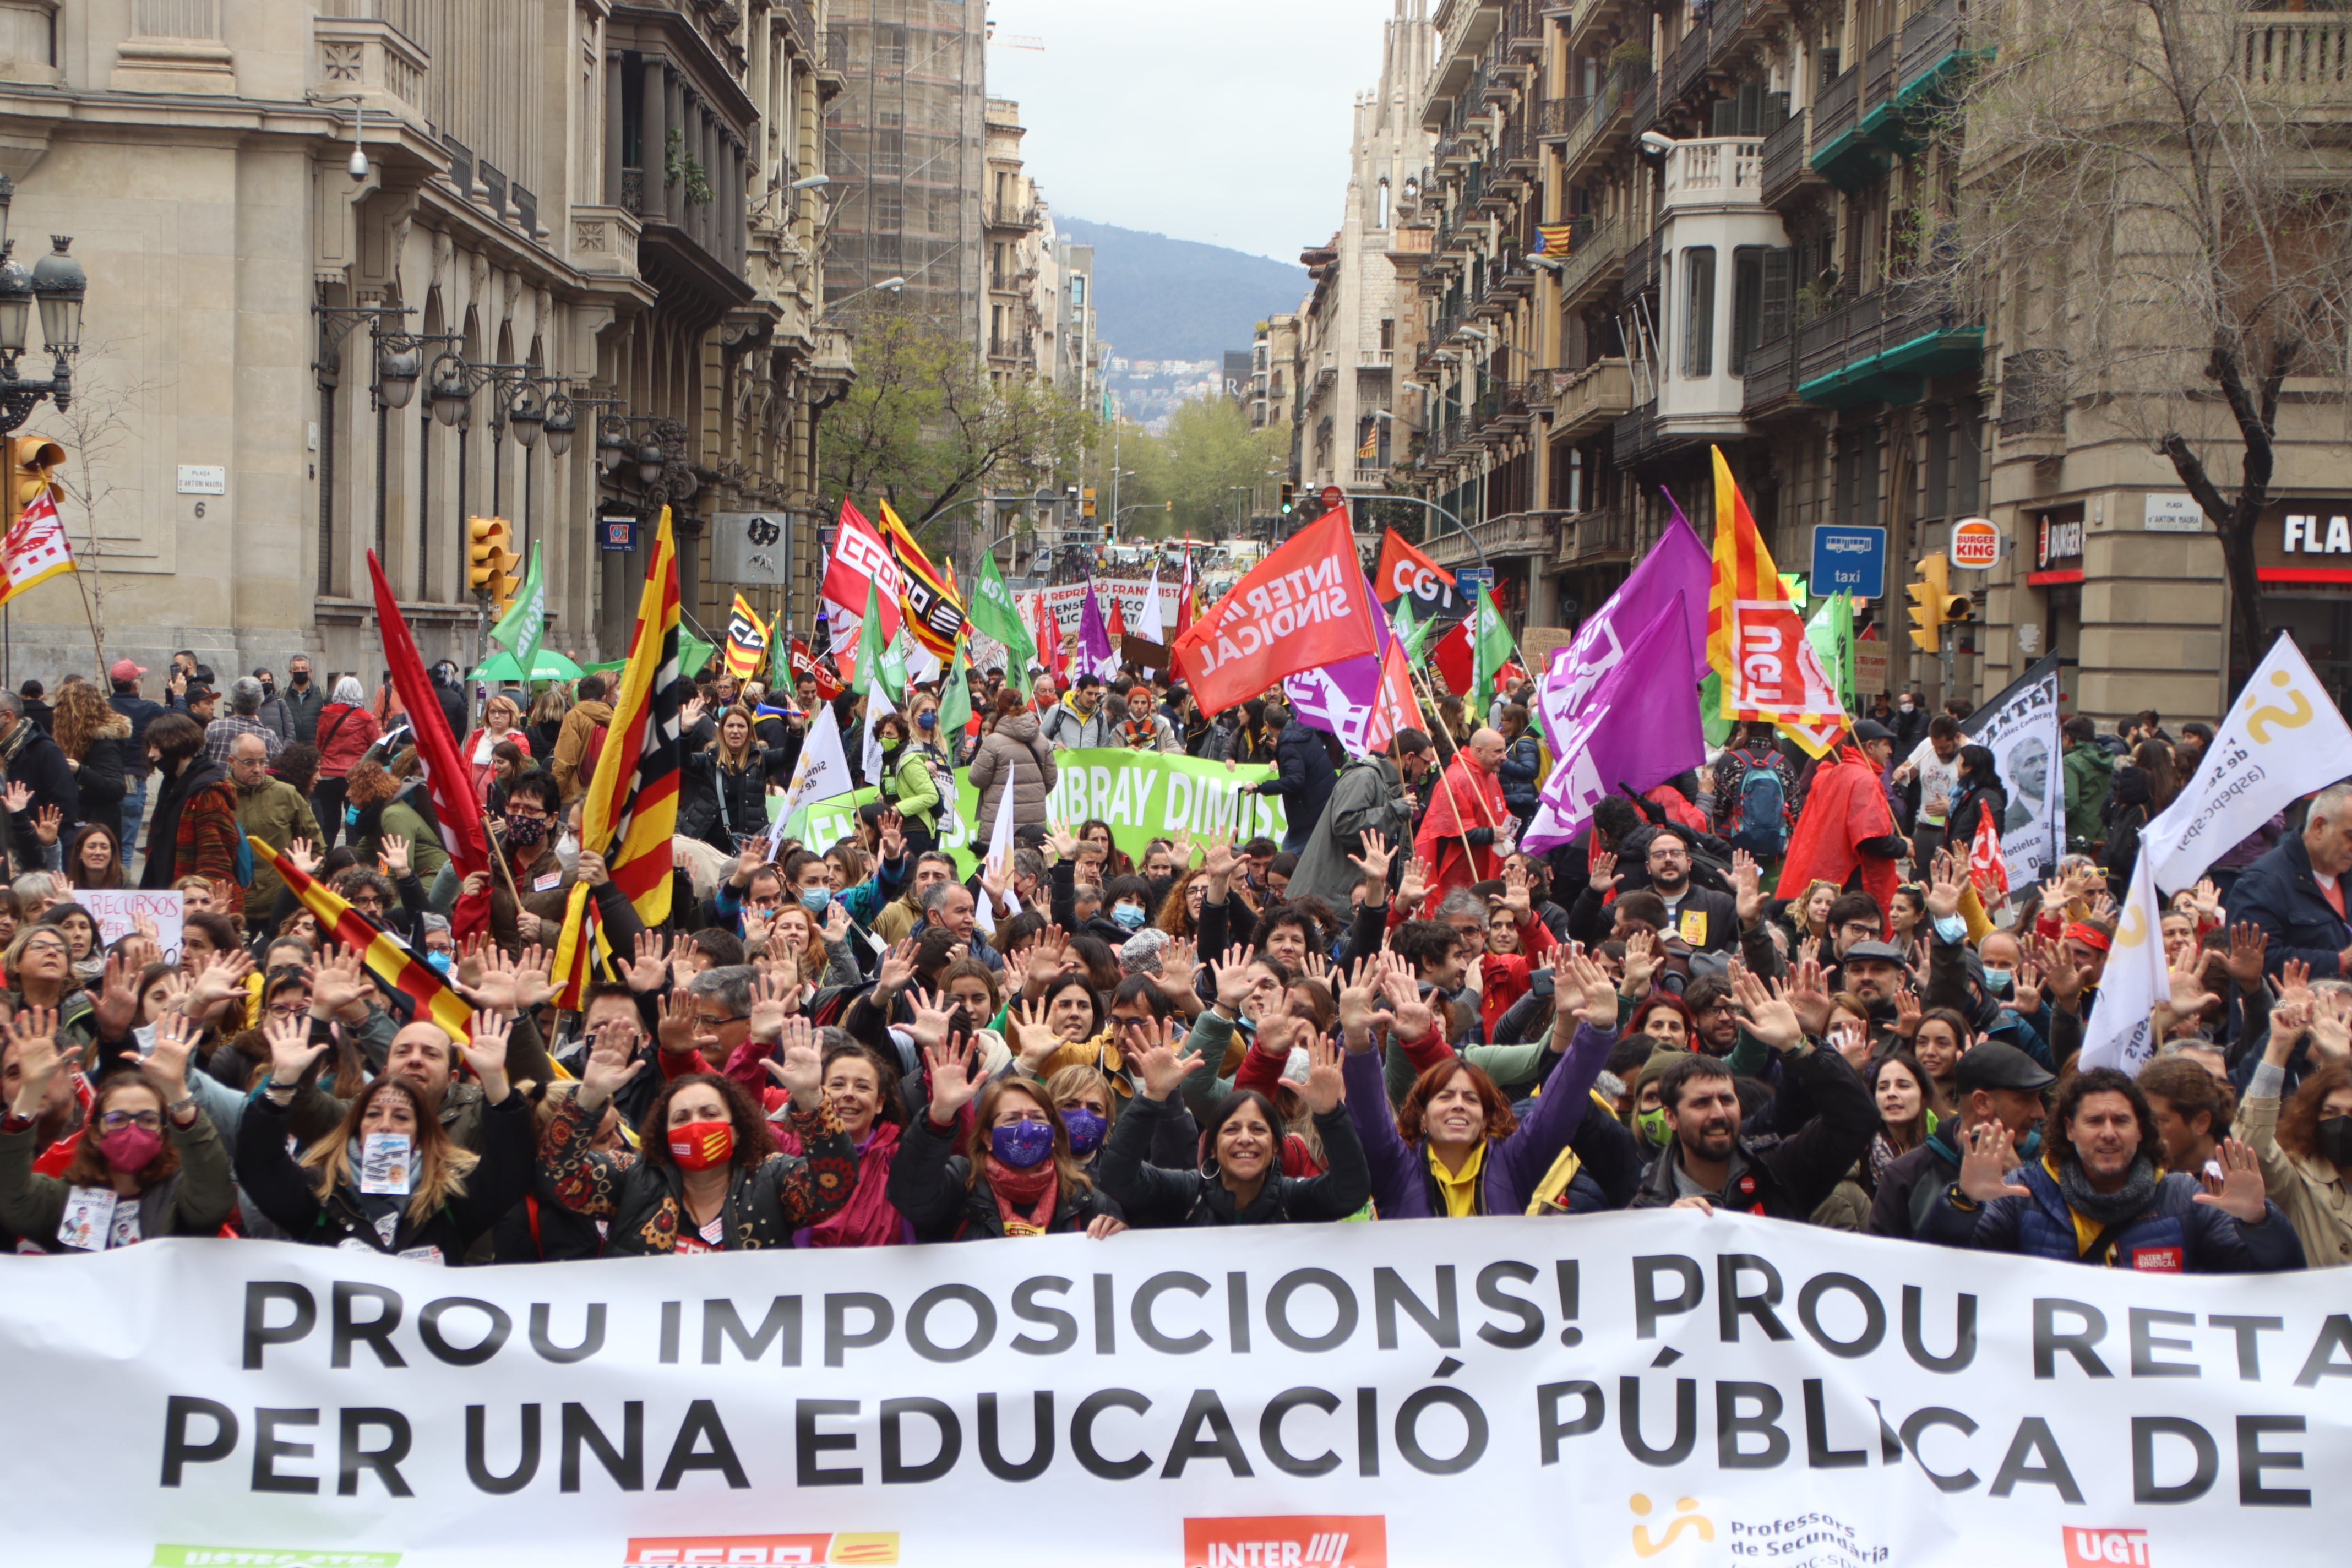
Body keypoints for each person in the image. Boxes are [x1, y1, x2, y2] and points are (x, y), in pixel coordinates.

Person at [1924, 1065, 2302, 1270]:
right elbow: (1939, 1271)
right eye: (2094, 1122)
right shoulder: (2021, 1195)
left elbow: (2276, 1278)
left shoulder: (2185, 1199)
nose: (2109, 1134)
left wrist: (2259, 1222)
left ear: (2141, 1130)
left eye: (2121, 1121)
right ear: (2069, 1129)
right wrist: (1964, 1203)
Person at [235, 1008, 531, 1262]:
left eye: (402, 1117)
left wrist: (494, 1080)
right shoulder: (321, 1194)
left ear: (422, 1134)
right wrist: (283, 1081)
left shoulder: (452, 1202)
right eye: (373, 1115)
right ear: (356, 1126)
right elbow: (258, 1166)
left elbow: (510, 1170)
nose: (385, 1125)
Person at [547, 1012, 858, 1254]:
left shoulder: (771, 1180)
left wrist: (810, 1098)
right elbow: (558, 1176)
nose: (696, 1127)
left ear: (737, 1131)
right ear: (662, 1133)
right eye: (681, 1118)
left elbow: (834, 1187)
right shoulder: (631, 1178)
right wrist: (589, 1096)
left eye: (710, 1114)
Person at [1343, 949, 1617, 1217]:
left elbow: (1560, 1107)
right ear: (1422, 1116)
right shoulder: (1396, 1169)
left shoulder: (1513, 1165)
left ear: (1486, 1118)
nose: (1459, 1105)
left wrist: (1598, 1030)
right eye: (1445, 1096)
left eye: (1472, 1099)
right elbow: (1370, 1118)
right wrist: (1355, 1038)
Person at [1631, 974, 1877, 1217]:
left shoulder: (1779, 1172)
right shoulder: (1648, 1207)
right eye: (1701, 1103)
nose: (1718, 1113)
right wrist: (1662, 1226)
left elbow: (1856, 1119)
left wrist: (1799, 1046)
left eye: (1727, 1100)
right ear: (1671, 1117)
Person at [1098, 1020, 1372, 1226]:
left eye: (1258, 1129)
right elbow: (1120, 1179)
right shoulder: (1188, 1194)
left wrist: (1329, 1114)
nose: (1245, 1139)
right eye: (1231, 1129)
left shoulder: (1293, 1200)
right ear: (1213, 1147)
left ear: (1277, 1146)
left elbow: (1351, 1191)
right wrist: (1153, 1096)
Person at [0, 1010, 231, 1250]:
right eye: (118, 1119)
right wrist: (30, 1092)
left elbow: (214, 1192)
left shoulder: (180, 1196)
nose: (132, 1129)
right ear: (94, 1133)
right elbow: (12, 1198)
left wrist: (177, 1092)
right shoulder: (63, 1198)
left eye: (147, 1120)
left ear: (164, 1133)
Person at [887, 1032, 1126, 1239]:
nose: (1026, 1128)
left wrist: (1119, 1236)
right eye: (1012, 1119)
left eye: (1037, 1118)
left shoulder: (1088, 1201)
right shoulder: (959, 1186)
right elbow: (910, 1197)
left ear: (1054, 1134)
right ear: (987, 1137)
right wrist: (938, 1115)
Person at [1866, 1039, 2052, 1241]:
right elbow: (1885, 1263)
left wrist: (2019, 1176)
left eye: (2039, 1099)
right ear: (1981, 1103)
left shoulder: (2048, 1161)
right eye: (2025, 1100)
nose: (2040, 1113)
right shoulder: (1906, 1175)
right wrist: (1962, 1199)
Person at [2233, 999, 2352, 1267]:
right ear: (2312, 1117)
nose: (2342, 1123)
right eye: (2330, 1113)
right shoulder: (2295, 1180)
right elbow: (2252, 1145)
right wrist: (2278, 1048)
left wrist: (2341, 1063)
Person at [1289, 728, 1432, 910]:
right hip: (1330, 904)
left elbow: (1399, 854)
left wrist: (1407, 892)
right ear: (1410, 758)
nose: (1426, 771)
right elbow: (1344, 824)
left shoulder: (1399, 794)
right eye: (1426, 763)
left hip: (1360, 903)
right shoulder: (1365, 776)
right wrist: (1393, 813)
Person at [1774, 718, 1903, 915]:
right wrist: (1903, 847)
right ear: (1869, 746)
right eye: (1886, 745)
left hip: (1832, 870)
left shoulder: (1839, 772)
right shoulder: (1864, 778)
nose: (1890, 751)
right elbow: (1870, 839)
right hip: (1850, 873)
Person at [2226, 778, 2352, 977]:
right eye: (2350, 836)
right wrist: (2340, 962)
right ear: (2319, 826)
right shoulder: (2261, 883)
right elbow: (2256, 966)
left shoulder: (2345, 874)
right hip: (2291, 1005)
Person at [137, 713, 241, 917]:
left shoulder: (208, 793)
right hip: (168, 901)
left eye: (157, 747)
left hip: (193, 910)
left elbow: (214, 860)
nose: (151, 754)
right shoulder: (171, 786)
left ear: (177, 744)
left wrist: (203, 913)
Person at [1413, 727, 1510, 911]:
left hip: (1482, 866)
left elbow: (1500, 813)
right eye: (1498, 751)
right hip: (1458, 871)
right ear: (1479, 751)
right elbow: (1454, 829)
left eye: (1504, 750)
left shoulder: (1490, 777)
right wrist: (1491, 835)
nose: (1504, 757)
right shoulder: (1458, 778)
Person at [230, 733, 319, 931]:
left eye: (263, 762)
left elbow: (316, 844)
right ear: (232, 762)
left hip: (280, 904)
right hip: (236, 905)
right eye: (249, 762)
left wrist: (302, 887)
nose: (257, 769)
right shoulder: (220, 795)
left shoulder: (286, 794)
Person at [679, 703, 789, 854]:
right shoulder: (709, 759)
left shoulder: (761, 759)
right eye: (730, 725)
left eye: (741, 726)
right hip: (708, 845)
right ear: (722, 730)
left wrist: (796, 731)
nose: (735, 731)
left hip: (746, 847)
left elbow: (788, 756)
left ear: (749, 731)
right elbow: (683, 761)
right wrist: (685, 732)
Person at [967, 688, 1058, 840]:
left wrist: (976, 763)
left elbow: (977, 779)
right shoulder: (1042, 740)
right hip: (1033, 822)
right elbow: (1050, 780)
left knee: (1000, 864)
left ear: (999, 708)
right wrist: (1031, 793)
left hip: (1001, 821)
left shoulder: (993, 742)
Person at [1251, 698, 1338, 855]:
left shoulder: (1289, 745)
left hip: (1310, 814)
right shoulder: (1300, 732)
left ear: (1268, 725)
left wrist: (1261, 787)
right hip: (1324, 806)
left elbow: (1295, 780)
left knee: (1288, 858)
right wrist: (1277, 750)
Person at [50, 681, 130, 847]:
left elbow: (116, 789)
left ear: (76, 712)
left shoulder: (104, 743)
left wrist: (80, 771)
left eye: (61, 705)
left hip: (97, 833)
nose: (55, 711)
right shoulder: (78, 740)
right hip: (83, 828)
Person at [309, 677, 379, 850]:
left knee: (329, 822)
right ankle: (351, 856)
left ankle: (324, 859)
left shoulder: (326, 714)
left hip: (327, 775)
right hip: (355, 777)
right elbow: (376, 749)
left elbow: (318, 744)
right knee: (353, 820)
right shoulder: (368, 719)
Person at [107, 660, 168, 856]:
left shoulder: (104, 708)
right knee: (125, 849)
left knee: (104, 844)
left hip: (106, 780)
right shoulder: (148, 709)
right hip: (133, 780)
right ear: (135, 684)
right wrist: (178, 695)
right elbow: (177, 718)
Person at [0, 689, 78, 829]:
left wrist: (42, 839)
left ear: (8, 717)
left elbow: (64, 805)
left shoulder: (45, 751)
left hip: (35, 844)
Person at [1893, 714, 1963, 865]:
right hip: (1925, 826)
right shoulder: (1927, 745)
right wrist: (1900, 771)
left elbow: (1980, 798)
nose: (1939, 752)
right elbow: (1907, 769)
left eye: (1945, 747)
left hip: (1953, 830)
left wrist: (1952, 808)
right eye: (1936, 747)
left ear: (1957, 738)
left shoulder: (1972, 751)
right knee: (1918, 878)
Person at [871, 713, 941, 855]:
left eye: (890, 734)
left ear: (901, 736)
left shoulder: (910, 761)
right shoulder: (887, 761)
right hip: (896, 830)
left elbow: (931, 796)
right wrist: (881, 797)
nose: (885, 738)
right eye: (882, 734)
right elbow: (892, 788)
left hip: (915, 830)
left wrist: (899, 808)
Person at [552, 673, 614, 803]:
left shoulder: (574, 717)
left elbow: (565, 760)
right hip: (607, 794)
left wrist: (554, 793)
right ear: (603, 697)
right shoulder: (616, 718)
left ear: (578, 697)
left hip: (576, 796)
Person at [202, 676, 285, 769]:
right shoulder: (269, 737)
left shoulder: (215, 728)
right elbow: (281, 770)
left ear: (233, 700)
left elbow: (197, 760)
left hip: (218, 783)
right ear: (259, 703)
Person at [461, 693, 527, 809]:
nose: (497, 716)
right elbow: (464, 769)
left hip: (502, 805)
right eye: (492, 712)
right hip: (474, 804)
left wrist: (506, 747)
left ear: (511, 715)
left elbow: (522, 777)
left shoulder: (519, 741)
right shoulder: (476, 738)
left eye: (502, 712)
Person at [1495, 703, 1542, 824]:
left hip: (1520, 800)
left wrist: (1503, 763)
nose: (1501, 722)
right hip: (1512, 798)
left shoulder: (1524, 742)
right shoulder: (1510, 741)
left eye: (1503, 719)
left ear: (1513, 722)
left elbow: (1529, 770)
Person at [62, 823, 126, 892]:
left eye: (104, 847)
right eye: (91, 847)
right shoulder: (65, 886)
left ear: (112, 853)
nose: (98, 852)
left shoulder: (127, 886)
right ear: (80, 852)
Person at [1115, 685, 1180, 753]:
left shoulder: (1162, 728)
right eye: (1136, 702)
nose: (1140, 707)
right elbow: (1113, 755)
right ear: (1130, 705)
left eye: (1143, 703)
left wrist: (1167, 751)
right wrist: (1125, 752)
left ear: (1148, 706)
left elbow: (1178, 750)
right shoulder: (1118, 731)